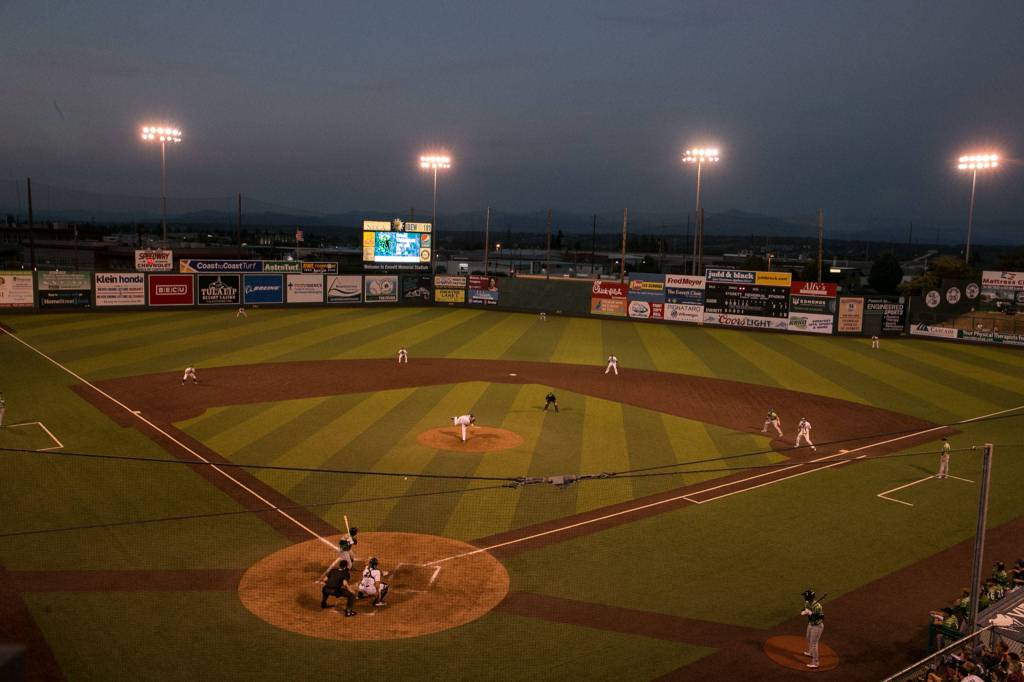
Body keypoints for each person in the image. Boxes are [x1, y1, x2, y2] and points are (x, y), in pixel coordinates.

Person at [800, 589, 825, 669]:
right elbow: (803, 609)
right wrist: (804, 611)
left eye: (805, 596)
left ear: (808, 597)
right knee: (808, 638)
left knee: (814, 644)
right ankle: (811, 653)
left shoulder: (818, 606)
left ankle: (815, 662)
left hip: (817, 626)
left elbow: (821, 617)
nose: (804, 597)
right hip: (810, 624)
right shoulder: (807, 603)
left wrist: (811, 613)